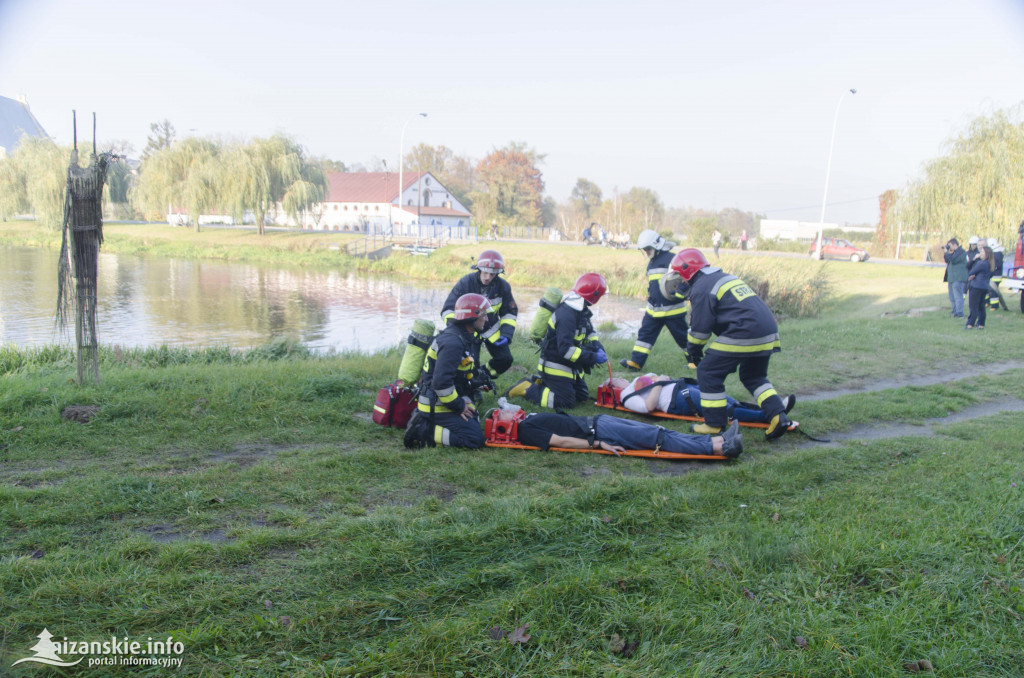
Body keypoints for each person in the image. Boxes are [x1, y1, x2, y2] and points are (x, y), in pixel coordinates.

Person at [665, 248, 793, 440]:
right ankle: (778, 416)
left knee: (708, 371)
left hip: (744, 331)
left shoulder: (701, 288)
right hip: (767, 331)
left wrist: (693, 352)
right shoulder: (722, 277)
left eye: (679, 277)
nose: (680, 283)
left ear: (686, 271)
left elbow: (700, 331)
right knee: (754, 376)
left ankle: (714, 424)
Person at [505, 272, 608, 409]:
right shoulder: (567, 315)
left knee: (581, 397)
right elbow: (565, 350)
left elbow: (589, 332)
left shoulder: (581, 310)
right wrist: (593, 357)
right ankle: (527, 388)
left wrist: (597, 346)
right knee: (565, 402)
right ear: (593, 296)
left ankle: (543, 383)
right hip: (556, 365)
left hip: (570, 366)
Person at [404, 294, 490, 449]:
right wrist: (459, 406)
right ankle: (422, 431)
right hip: (436, 404)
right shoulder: (453, 343)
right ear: (472, 317)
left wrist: (475, 383)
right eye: (484, 315)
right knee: (474, 440)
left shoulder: (462, 336)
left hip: (442, 400)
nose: (487, 319)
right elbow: (441, 384)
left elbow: (457, 374)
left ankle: (428, 423)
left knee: (474, 419)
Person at [516, 412, 743, 458]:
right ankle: (720, 448)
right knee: (657, 439)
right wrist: (599, 444)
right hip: (601, 432)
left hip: (598, 421)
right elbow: (560, 441)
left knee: (658, 431)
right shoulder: (525, 430)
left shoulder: (525, 419)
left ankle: (717, 439)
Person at [441, 250, 518, 380]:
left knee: (505, 359)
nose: (488, 277)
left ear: (498, 274)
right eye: (485, 272)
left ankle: (483, 376)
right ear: (479, 269)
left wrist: (506, 334)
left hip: (491, 330)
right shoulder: (466, 283)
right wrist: (458, 331)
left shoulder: (503, 287)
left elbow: (509, 313)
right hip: (469, 330)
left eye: (492, 274)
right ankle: (472, 386)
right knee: (471, 362)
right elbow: (448, 310)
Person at [619, 230, 689, 372]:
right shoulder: (651, 263)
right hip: (654, 310)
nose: (646, 252)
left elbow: (685, 282)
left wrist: (681, 294)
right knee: (644, 336)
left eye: (647, 249)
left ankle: (695, 362)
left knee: (683, 338)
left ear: (657, 246)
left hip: (673, 310)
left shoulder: (674, 259)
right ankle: (636, 362)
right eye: (644, 250)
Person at [613, 374, 795, 424]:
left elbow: (660, 381)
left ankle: (773, 409)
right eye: (614, 380)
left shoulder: (636, 381)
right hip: (678, 400)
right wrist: (659, 382)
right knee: (722, 408)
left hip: (682, 388)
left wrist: (662, 378)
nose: (619, 378)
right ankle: (770, 416)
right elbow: (649, 406)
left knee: (724, 398)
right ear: (614, 387)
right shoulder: (626, 396)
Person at [965, 244, 995, 329]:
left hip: (976, 286)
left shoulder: (981, 263)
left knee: (973, 306)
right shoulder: (990, 264)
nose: (980, 253)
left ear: (986, 254)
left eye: (982, 252)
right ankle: (981, 324)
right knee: (981, 306)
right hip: (984, 287)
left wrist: (974, 259)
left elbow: (971, 272)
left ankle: (970, 324)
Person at [942, 238, 968, 318]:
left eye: (949, 245)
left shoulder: (961, 252)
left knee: (958, 295)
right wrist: (946, 252)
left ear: (954, 244)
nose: (948, 247)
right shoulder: (952, 252)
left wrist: (947, 252)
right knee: (951, 296)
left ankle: (959, 312)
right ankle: (955, 310)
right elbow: (947, 260)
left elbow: (953, 260)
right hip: (952, 278)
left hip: (958, 277)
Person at [986, 238, 1008, 311]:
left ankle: (994, 306)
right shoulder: (995, 253)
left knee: (993, 291)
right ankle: (988, 303)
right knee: (989, 290)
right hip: (992, 275)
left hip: (996, 276)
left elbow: (997, 265)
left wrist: (992, 269)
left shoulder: (998, 253)